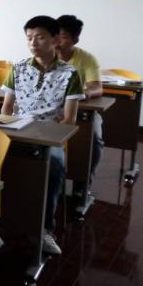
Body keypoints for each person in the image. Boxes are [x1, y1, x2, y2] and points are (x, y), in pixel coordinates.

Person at [1, 15, 84, 256]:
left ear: (56, 40)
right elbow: (6, 109)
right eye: (29, 38)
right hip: (17, 132)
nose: (33, 42)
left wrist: (48, 134)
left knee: (54, 166)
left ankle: (44, 229)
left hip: (49, 137)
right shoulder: (17, 68)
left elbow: (69, 119)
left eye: (40, 37)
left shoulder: (70, 73)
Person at [57, 14, 104, 208]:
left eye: (63, 37)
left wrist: (80, 94)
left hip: (83, 108)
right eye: (54, 35)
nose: (57, 41)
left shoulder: (86, 59)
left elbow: (97, 87)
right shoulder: (44, 56)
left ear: (75, 40)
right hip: (51, 109)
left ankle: (82, 184)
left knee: (94, 139)